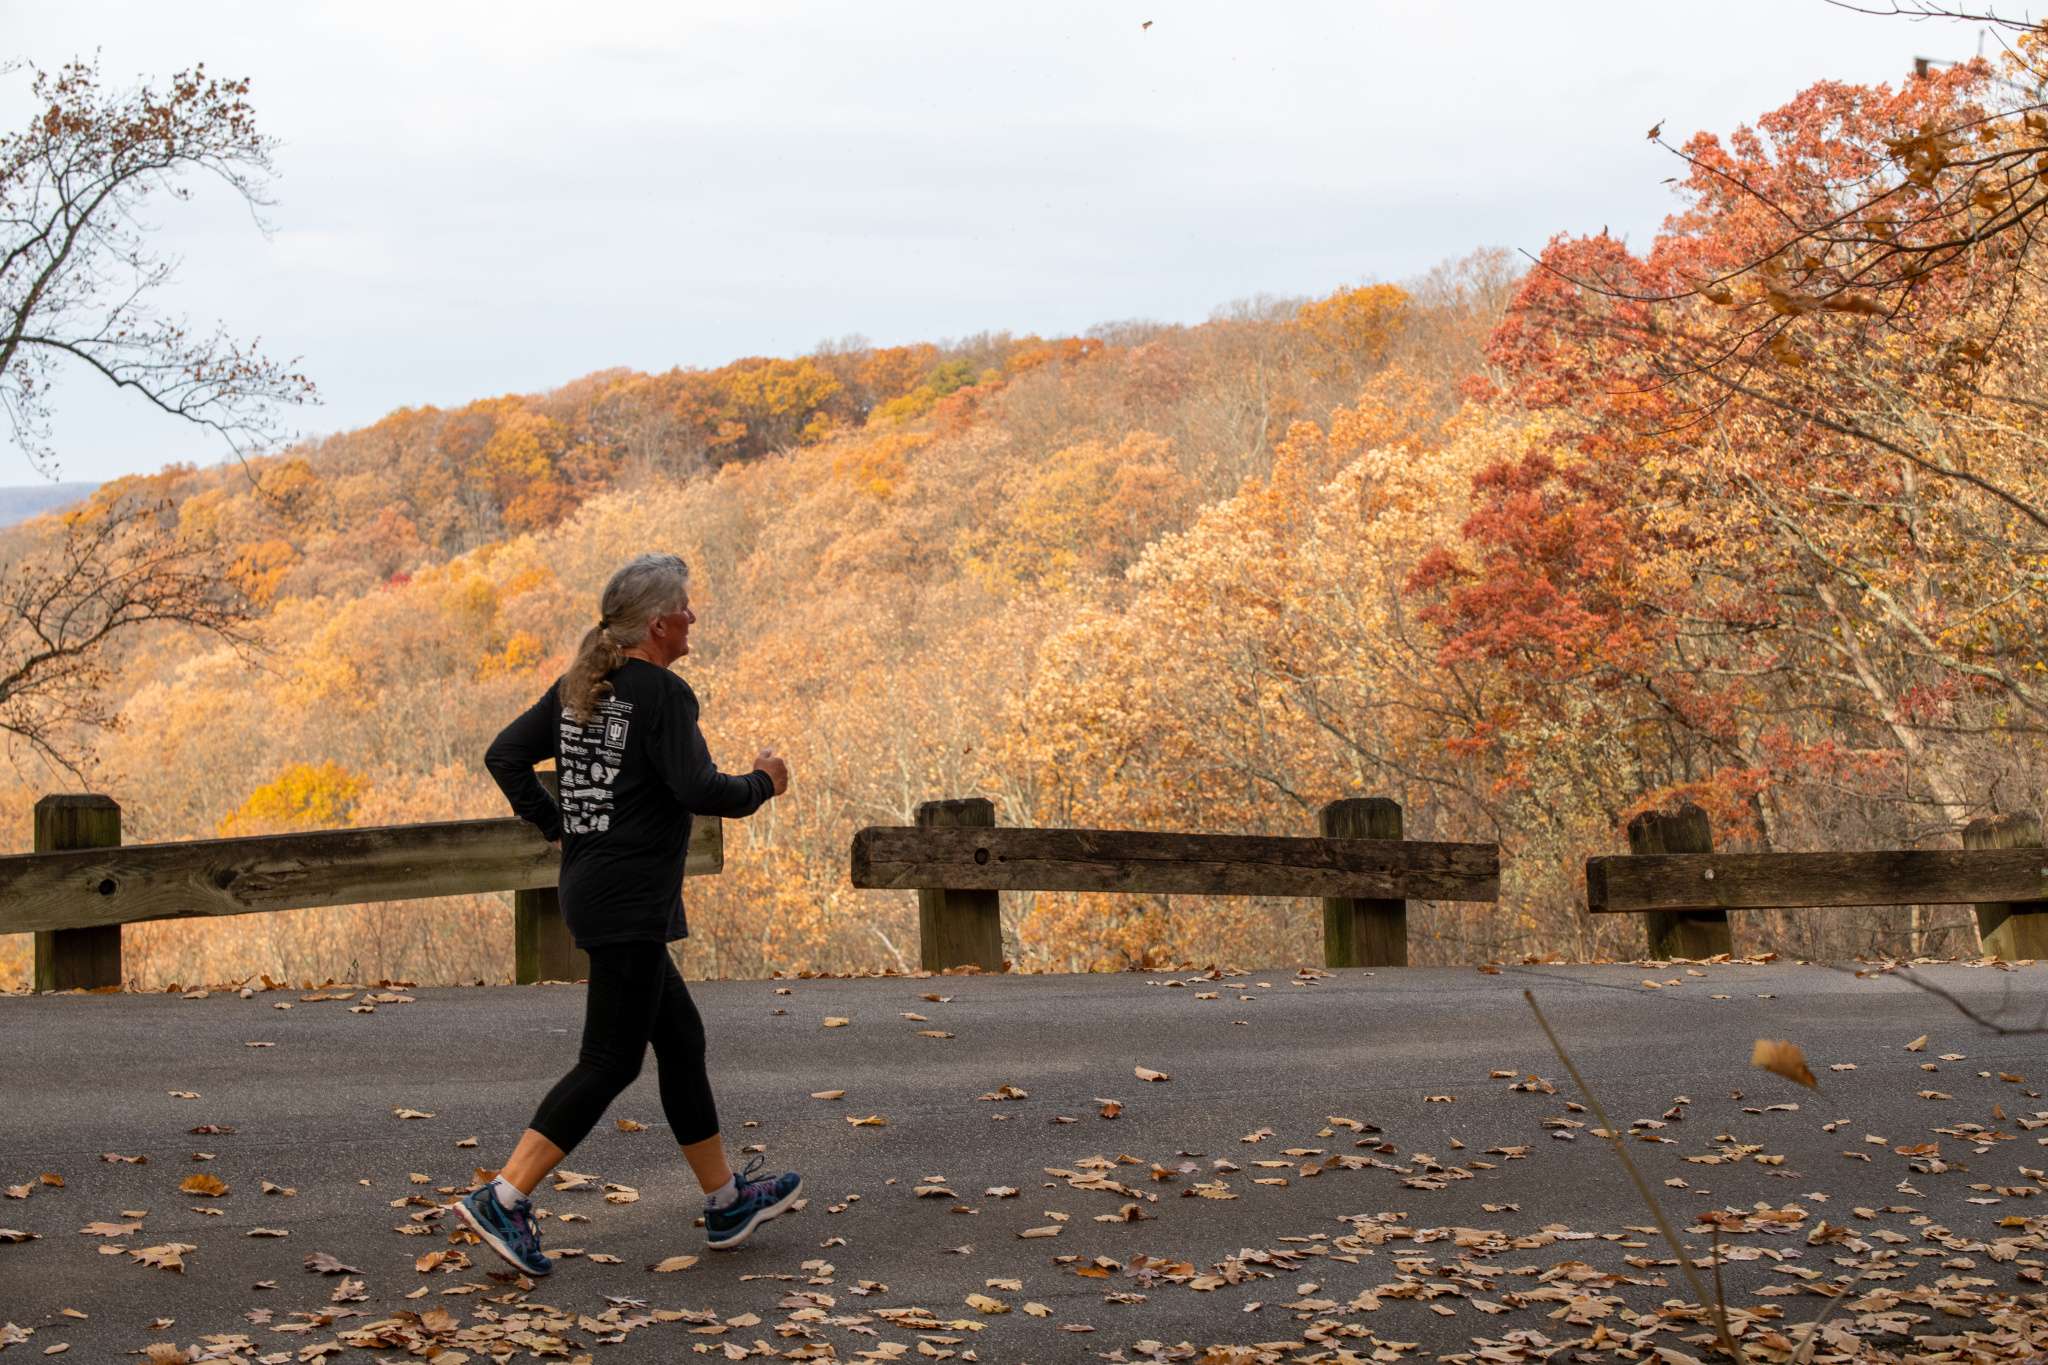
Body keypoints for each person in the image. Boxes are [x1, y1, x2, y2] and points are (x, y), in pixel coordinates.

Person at [453, 551, 800, 1276]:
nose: (692, 617)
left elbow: (504, 757)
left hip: (592, 888)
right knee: (609, 1061)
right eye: (684, 607)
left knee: (680, 1038)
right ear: (656, 623)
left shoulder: (582, 687)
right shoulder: (663, 695)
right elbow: (702, 788)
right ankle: (504, 1197)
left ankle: (726, 1198)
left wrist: (558, 825)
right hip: (630, 900)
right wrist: (765, 781)